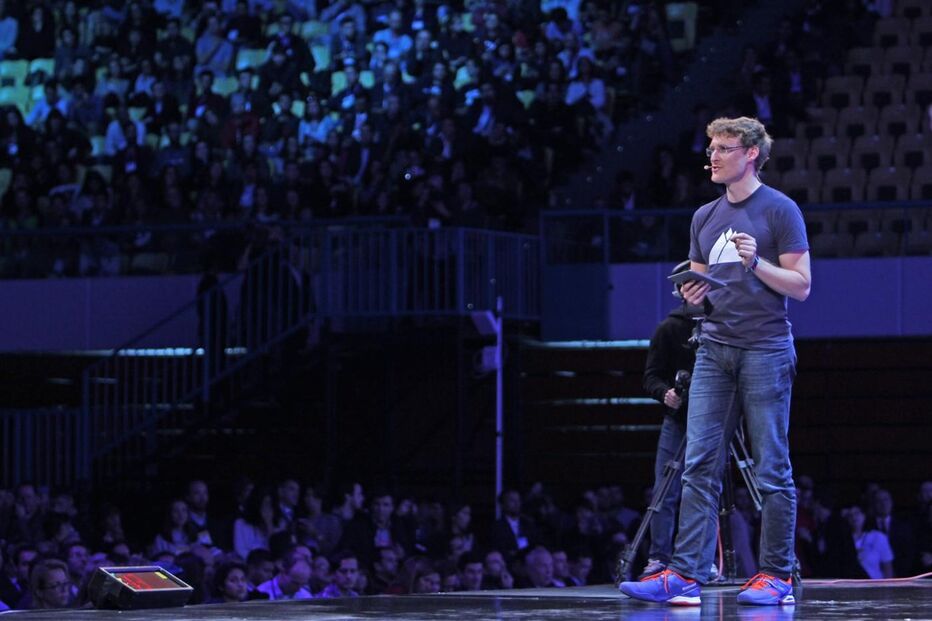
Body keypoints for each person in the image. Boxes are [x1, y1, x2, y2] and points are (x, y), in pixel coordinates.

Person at [620, 116, 810, 607]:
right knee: (698, 464)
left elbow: (802, 285)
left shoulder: (780, 211)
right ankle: (684, 573)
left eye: (724, 148)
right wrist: (691, 291)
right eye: (711, 147)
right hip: (714, 347)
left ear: (751, 154)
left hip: (765, 348)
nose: (713, 155)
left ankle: (776, 575)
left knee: (772, 468)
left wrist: (755, 264)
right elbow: (699, 291)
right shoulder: (705, 216)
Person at [636, 261, 699, 579]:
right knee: (665, 489)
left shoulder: (722, 327)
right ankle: (659, 557)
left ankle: (700, 560)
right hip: (677, 420)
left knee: (703, 490)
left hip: (711, 423)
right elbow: (651, 377)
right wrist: (666, 394)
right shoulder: (669, 329)